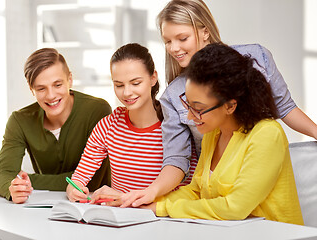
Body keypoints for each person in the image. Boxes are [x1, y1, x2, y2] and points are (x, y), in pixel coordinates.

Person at [121, 0, 317, 208]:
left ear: (205, 31)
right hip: (215, 191)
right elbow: (177, 159)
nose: (174, 48)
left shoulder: (256, 59)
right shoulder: (179, 102)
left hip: (259, 181)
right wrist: (152, 193)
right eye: (167, 41)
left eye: (182, 38)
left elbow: (285, 108)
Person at [143, 43, 304, 225]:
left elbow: (235, 208)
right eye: (188, 105)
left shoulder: (267, 134)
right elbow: (195, 191)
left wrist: (162, 209)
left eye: (198, 109)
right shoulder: (213, 134)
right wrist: (144, 204)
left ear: (230, 105)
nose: (189, 116)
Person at [66, 43, 196, 203]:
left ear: (153, 78)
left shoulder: (176, 127)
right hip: (120, 221)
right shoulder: (108, 126)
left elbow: (190, 189)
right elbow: (79, 177)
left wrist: (124, 199)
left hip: (164, 220)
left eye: (135, 83)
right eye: (119, 85)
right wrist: (74, 189)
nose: (127, 92)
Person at [0, 48, 111, 203]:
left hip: (96, 206)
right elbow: (2, 173)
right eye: (41, 88)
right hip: (46, 208)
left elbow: (93, 179)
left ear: (70, 80)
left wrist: (32, 181)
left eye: (57, 85)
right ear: (31, 89)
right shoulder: (19, 120)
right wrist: (13, 188)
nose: (51, 95)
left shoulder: (97, 110)